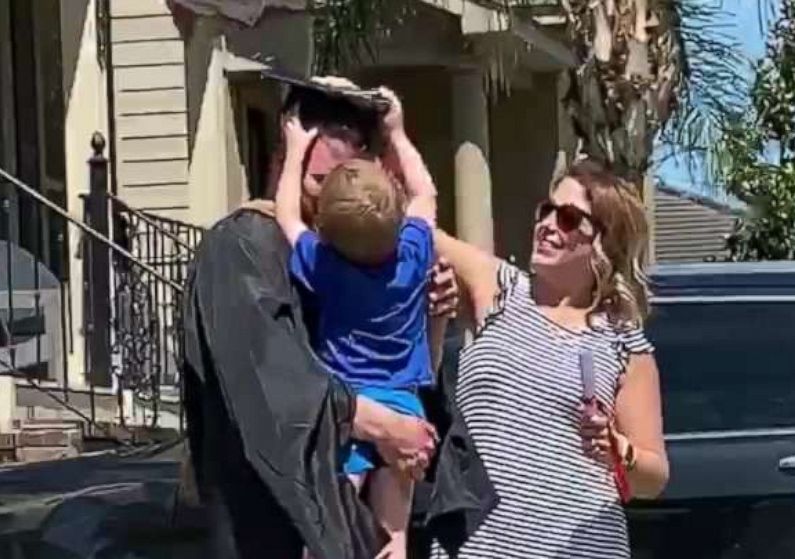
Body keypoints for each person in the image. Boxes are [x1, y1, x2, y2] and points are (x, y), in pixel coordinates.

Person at [181, 77, 456, 559]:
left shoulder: (348, 261)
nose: (343, 148)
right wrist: (385, 426)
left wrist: (430, 315)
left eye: (358, 138)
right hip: (265, 534)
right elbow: (275, 390)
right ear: (286, 151)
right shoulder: (244, 246)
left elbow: (413, 382)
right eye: (323, 129)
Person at [423, 158, 670, 558]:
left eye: (570, 219)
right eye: (547, 210)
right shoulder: (501, 289)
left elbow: (654, 476)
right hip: (476, 546)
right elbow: (416, 229)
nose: (549, 224)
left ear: (603, 244)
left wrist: (616, 448)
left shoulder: (623, 343)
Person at [273, 87, 440, 559]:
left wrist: (295, 152)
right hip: (406, 407)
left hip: (353, 409)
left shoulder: (326, 267)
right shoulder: (413, 254)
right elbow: (425, 191)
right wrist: (398, 134)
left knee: (332, 521)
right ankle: (399, 546)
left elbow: (286, 213)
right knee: (394, 532)